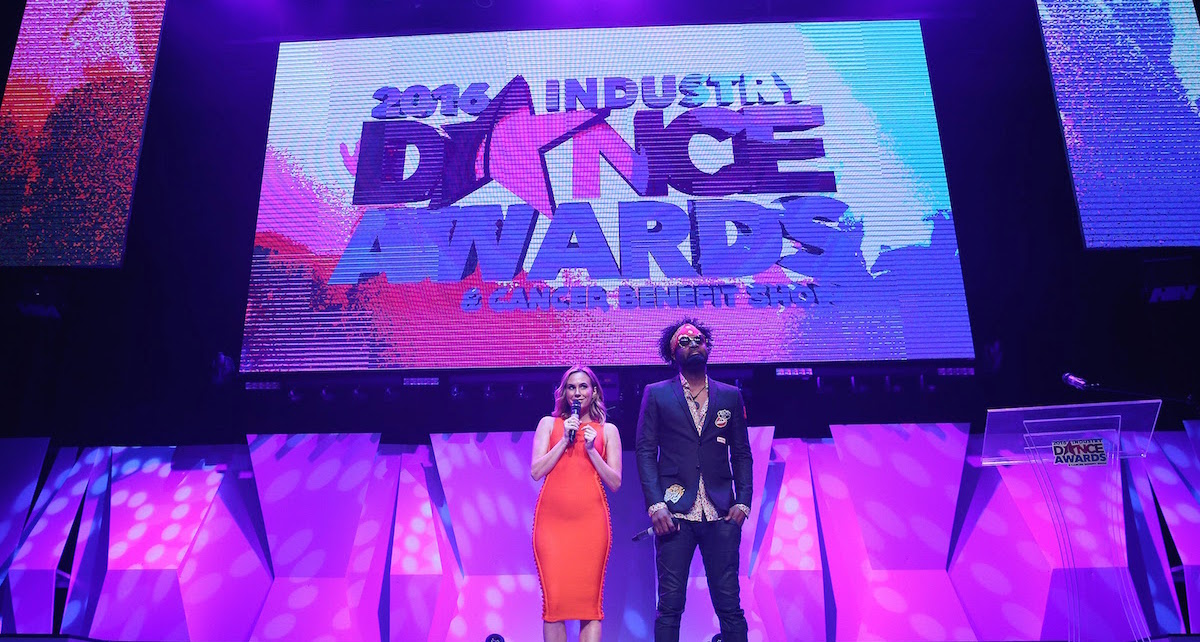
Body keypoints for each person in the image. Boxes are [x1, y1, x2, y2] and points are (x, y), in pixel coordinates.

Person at [635, 318, 753, 642]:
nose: (693, 344)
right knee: (670, 606)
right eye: (684, 341)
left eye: (698, 339)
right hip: (674, 514)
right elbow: (645, 451)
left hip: (721, 513)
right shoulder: (657, 394)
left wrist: (743, 501)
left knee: (730, 605)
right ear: (673, 353)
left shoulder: (730, 395)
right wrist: (656, 505)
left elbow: (742, 453)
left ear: (707, 346)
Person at [531, 365, 623, 642]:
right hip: (552, 524)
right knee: (554, 604)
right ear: (564, 393)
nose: (577, 392)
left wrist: (591, 450)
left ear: (594, 392)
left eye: (583, 386)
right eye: (571, 387)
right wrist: (564, 442)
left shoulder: (608, 430)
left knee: (590, 606)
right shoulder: (549, 424)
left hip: (591, 524)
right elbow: (536, 471)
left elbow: (615, 482)